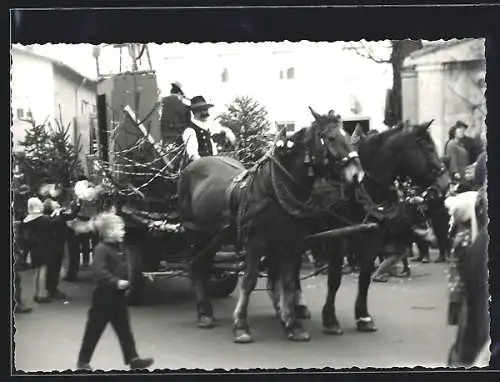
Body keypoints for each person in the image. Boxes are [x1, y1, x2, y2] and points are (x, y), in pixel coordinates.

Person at [76, 212, 154, 371]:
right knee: (94, 330)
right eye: (120, 229)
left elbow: (122, 268)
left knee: (125, 330)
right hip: (102, 298)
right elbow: (99, 271)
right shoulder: (101, 249)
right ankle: (83, 362)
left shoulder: (117, 248)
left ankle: (133, 358)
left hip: (117, 297)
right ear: (109, 232)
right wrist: (116, 282)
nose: (123, 232)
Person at [23, 197, 54, 303]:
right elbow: (52, 223)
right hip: (43, 247)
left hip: (34, 247)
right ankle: (41, 295)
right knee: (43, 270)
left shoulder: (27, 220)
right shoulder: (43, 219)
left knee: (37, 270)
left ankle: (36, 293)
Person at [182, 95, 218, 162]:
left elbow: (214, 152)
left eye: (207, 109)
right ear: (196, 112)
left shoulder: (205, 129)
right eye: (204, 110)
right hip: (200, 169)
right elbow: (193, 156)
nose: (207, 113)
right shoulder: (190, 130)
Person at [160, 81, 191, 146]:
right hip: (177, 136)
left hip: (161, 135)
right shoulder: (184, 107)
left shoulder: (162, 101)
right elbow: (187, 124)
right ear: (179, 94)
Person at [444, 121, 472, 185]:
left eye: (463, 132)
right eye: (460, 132)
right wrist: (455, 172)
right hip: (457, 175)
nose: (462, 133)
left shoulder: (461, 144)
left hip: (464, 173)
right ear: (454, 133)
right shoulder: (451, 144)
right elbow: (452, 159)